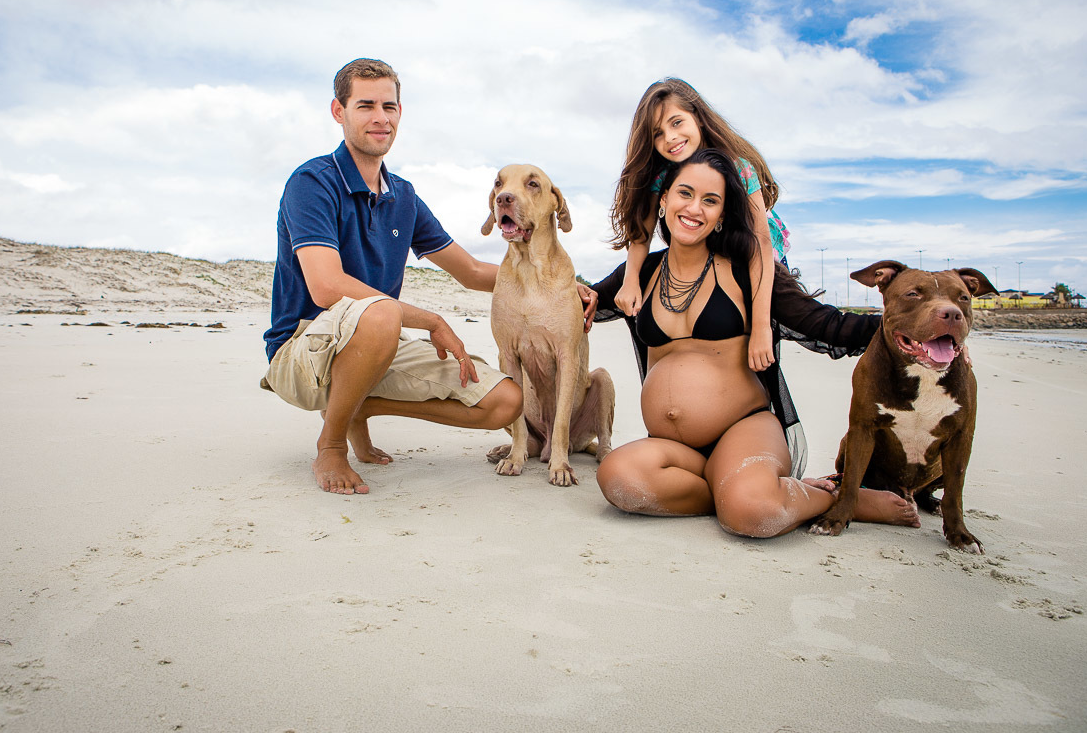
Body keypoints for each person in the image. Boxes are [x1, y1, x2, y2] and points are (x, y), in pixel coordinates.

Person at [261, 58, 592, 496]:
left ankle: (354, 405)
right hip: (302, 350)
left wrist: (561, 287)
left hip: (372, 348)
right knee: (381, 314)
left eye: (389, 106)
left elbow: (472, 271)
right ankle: (332, 443)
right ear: (339, 112)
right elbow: (327, 287)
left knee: (505, 401)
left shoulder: (403, 196)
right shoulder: (312, 181)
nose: (380, 117)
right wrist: (432, 321)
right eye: (365, 106)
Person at [592, 149, 919, 537]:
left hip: (744, 429)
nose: (695, 208)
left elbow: (822, 324)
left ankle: (838, 499)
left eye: (710, 201)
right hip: (678, 452)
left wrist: (918, 332)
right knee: (618, 478)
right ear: (663, 200)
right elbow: (581, 302)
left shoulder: (747, 271)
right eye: (685, 193)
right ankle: (732, 491)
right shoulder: (641, 272)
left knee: (753, 513)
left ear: (720, 217)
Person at [609, 78, 790, 375]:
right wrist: (630, 281)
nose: (670, 137)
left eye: (677, 122)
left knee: (758, 352)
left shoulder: (739, 166)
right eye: (658, 134)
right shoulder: (663, 177)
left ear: (698, 117)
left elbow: (761, 242)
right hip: (708, 260)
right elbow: (641, 237)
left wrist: (761, 327)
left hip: (754, 257)